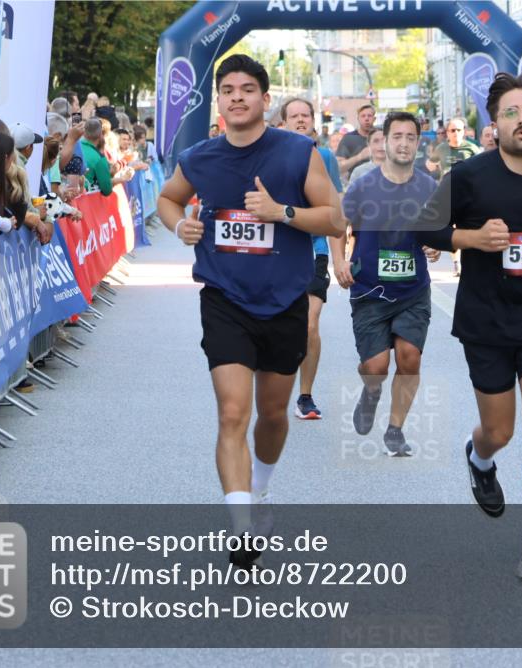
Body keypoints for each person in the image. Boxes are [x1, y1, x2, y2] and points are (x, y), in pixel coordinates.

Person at [156, 55, 342, 570]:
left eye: (247, 89)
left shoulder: (299, 152)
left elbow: (335, 218)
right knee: (233, 411)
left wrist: (280, 213)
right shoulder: (200, 157)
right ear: (219, 101)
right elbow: (168, 200)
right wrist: (179, 227)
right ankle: (240, 527)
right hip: (224, 297)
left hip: (284, 298)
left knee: (274, 413)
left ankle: (259, 489)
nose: (237, 97)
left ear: (264, 99)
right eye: (228, 90)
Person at [416, 71, 522, 583]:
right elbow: (427, 226)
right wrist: (471, 237)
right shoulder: (469, 176)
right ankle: (480, 459)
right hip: (486, 319)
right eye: (511, 113)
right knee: (501, 430)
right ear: (494, 123)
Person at [329, 112, 439, 456]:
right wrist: (339, 261)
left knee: (409, 358)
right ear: (385, 142)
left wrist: (438, 244)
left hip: (413, 290)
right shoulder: (363, 185)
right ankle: (371, 391)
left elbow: (442, 231)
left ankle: (395, 429)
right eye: (397, 137)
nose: (404, 143)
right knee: (375, 368)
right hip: (369, 290)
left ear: (417, 144)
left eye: (410, 137)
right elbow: (336, 225)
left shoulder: (429, 187)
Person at [279, 97, 345, 420]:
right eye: (295, 116)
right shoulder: (271, 155)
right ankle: (274, 385)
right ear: (283, 122)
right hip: (278, 250)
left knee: (309, 323)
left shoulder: (326, 157)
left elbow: (337, 212)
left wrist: (341, 258)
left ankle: (305, 396)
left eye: (306, 115)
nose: (301, 120)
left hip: (314, 250)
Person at [427, 117, 482, 276]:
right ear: (447, 133)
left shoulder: (472, 149)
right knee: (452, 229)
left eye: (459, 130)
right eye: (452, 130)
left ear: (464, 131)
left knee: (467, 228)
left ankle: (468, 261)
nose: (456, 133)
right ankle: (457, 263)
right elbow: (430, 166)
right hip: (447, 193)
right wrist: (440, 172)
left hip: (469, 194)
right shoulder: (441, 148)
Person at [336, 104, 376, 180]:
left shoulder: (381, 137)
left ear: (374, 119)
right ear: (358, 119)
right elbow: (339, 167)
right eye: (363, 116)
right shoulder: (349, 138)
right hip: (356, 184)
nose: (366, 119)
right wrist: (359, 157)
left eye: (369, 116)